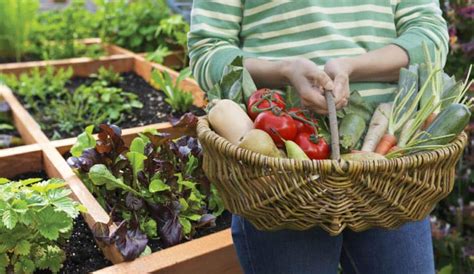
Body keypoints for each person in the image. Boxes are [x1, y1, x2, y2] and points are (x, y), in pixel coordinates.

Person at [188, 1, 448, 273]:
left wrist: (352, 66)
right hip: (278, 176)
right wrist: (285, 71)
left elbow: (430, 37)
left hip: (392, 171)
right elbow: (208, 52)